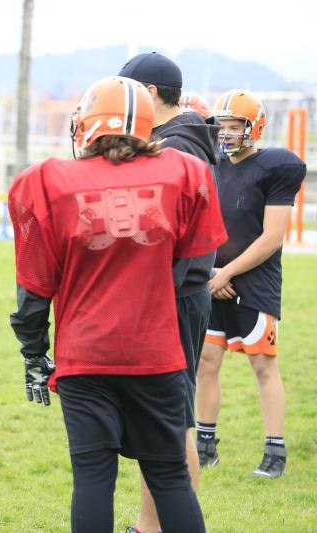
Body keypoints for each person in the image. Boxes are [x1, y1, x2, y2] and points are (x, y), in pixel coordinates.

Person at [9, 76, 226, 533]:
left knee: (92, 477)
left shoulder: (49, 182)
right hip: (155, 353)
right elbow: (192, 267)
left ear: (85, 126)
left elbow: (33, 291)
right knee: (169, 477)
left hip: (85, 354)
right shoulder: (185, 173)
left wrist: (33, 351)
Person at [118, 52, 220, 533]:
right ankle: (149, 525)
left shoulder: (179, 147)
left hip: (175, 295)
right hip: (177, 293)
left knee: (172, 420)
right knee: (160, 419)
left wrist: (150, 296)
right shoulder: (176, 140)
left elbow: (175, 238)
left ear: (151, 93)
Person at [195, 89, 306, 478]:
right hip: (213, 281)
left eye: (233, 125)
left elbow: (271, 238)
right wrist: (211, 272)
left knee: (263, 366)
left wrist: (228, 273)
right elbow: (200, 226)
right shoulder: (211, 166)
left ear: (253, 127)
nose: (225, 133)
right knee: (206, 363)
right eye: (221, 126)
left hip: (254, 283)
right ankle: (205, 444)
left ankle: (274, 450)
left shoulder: (274, 167)